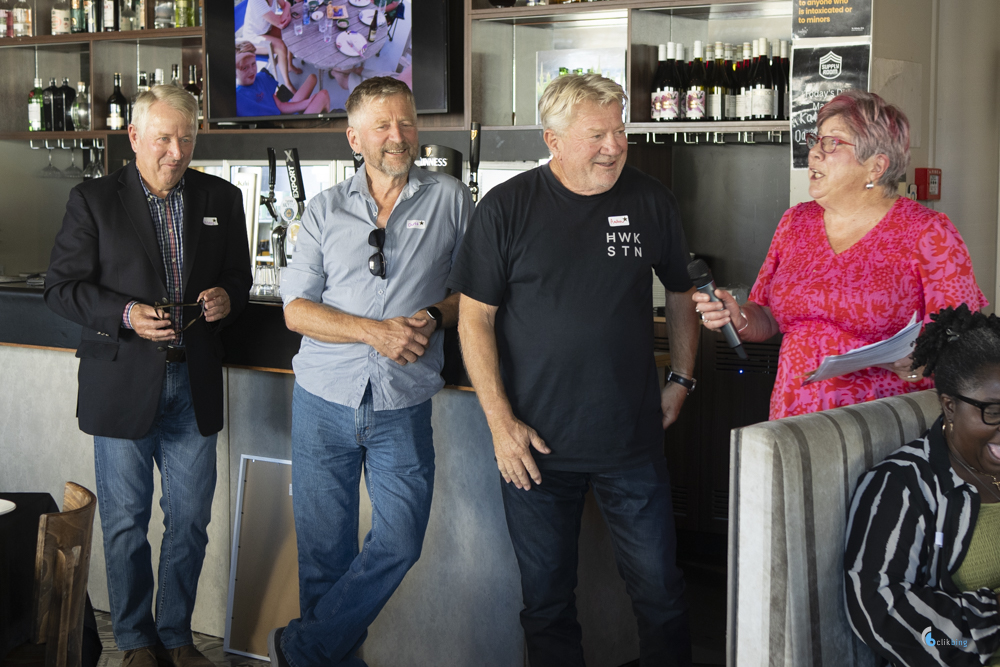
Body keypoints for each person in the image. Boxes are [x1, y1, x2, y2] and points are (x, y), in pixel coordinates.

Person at [448, 73, 698, 666]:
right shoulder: (506, 207)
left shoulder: (650, 200)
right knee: (547, 604)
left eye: (620, 131)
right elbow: (474, 320)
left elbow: (682, 291)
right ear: (553, 140)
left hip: (630, 438)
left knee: (661, 594)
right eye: (596, 135)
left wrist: (683, 378)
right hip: (533, 444)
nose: (614, 146)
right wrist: (501, 425)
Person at [44, 86, 252, 667]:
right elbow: (60, 288)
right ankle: (136, 640)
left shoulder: (222, 197)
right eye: (163, 138)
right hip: (122, 385)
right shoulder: (92, 200)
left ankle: (176, 635)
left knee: (190, 521)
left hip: (194, 385)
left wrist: (226, 298)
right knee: (125, 523)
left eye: (187, 138)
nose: (176, 151)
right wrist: (127, 314)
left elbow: (239, 277)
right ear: (134, 137)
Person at [267, 76, 472, 667]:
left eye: (406, 122)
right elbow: (296, 310)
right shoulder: (324, 208)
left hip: (401, 401)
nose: (397, 136)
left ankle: (300, 648)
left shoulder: (451, 199)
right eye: (382, 125)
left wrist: (432, 315)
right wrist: (372, 331)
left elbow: (477, 294)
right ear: (354, 138)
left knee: (400, 541)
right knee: (323, 558)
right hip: (322, 400)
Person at [694, 89, 986, 420]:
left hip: (882, 420)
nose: (814, 152)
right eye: (816, 140)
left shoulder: (928, 231)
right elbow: (769, 315)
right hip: (795, 416)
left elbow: (964, 338)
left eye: (832, 143)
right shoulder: (795, 222)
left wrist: (922, 362)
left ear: (876, 166)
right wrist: (740, 318)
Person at [845, 304, 1000, 666]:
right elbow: (880, 613)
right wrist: (991, 618)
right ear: (949, 406)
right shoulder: (902, 485)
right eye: (993, 411)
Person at [236, 47, 330, 117]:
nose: (251, 71)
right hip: (286, 130)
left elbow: (281, 106)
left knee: (312, 78)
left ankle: (314, 111)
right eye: (244, 68)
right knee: (323, 94)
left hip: (283, 115)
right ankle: (324, 121)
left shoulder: (260, 78)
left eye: (253, 64)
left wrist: (307, 102)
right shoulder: (238, 96)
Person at [241, 0, 300, 92]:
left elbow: (283, 5)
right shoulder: (257, 1)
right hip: (252, 38)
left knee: (289, 31)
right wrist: (288, 5)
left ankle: (289, 65)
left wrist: (286, 6)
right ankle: (287, 84)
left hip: (266, 28)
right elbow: (280, 22)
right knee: (281, 46)